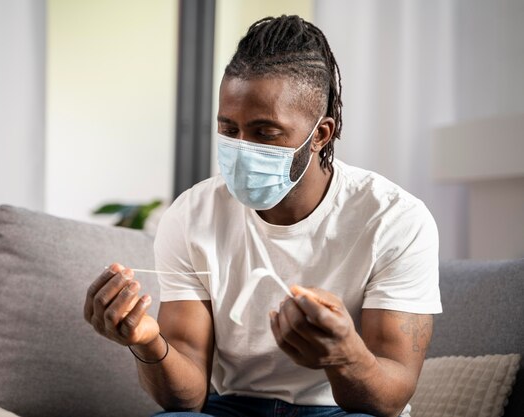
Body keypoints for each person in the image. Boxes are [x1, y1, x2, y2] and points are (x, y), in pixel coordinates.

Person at [84, 15, 441, 417]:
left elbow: (390, 399)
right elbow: (184, 401)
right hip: (231, 408)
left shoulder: (395, 219)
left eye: (265, 133)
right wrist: (147, 342)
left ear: (321, 134)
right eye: (228, 129)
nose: (241, 148)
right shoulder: (190, 216)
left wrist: (345, 355)